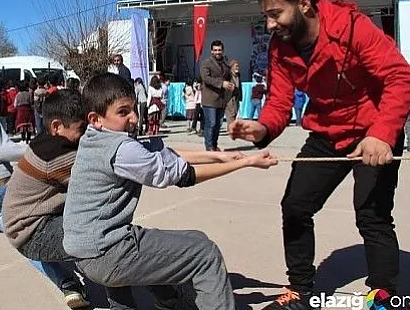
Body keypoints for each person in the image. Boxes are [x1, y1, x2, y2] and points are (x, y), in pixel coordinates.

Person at [231, 0, 410, 310]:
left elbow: (402, 79)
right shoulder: (280, 46)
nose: (270, 24)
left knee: (372, 215)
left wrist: (381, 135)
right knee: (295, 206)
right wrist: (262, 128)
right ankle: (300, 291)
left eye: (275, 14)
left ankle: (383, 296)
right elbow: (279, 99)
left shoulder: (353, 28)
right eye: (266, 16)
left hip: (373, 130)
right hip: (327, 131)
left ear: (304, 4)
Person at [62, 72, 278, 310]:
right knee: (205, 254)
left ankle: (170, 302)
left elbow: (159, 153)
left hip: (86, 251)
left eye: (134, 109)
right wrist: (245, 163)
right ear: (96, 118)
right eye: (123, 112)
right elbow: (183, 176)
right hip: (107, 252)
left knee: (192, 240)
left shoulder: (94, 138)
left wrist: (218, 156)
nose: (134, 118)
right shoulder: (121, 149)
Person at [0, 71, 87, 304]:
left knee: (25, 239)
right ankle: (75, 278)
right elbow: (3, 150)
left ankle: (68, 282)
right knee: (30, 237)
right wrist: (38, 151)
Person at [2, 89, 92, 309]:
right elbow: (97, 182)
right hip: (31, 232)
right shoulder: (57, 155)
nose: (85, 133)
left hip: (30, 221)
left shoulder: (47, 140)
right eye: (81, 128)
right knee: (101, 236)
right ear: (56, 126)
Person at [199, 40, 234, 151]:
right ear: (211, 51)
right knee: (211, 123)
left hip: (221, 99)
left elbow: (228, 77)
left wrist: (231, 84)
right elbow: (206, 79)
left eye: (219, 50)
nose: (217, 52)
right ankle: (209, 147)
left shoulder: (225, 63)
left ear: (222, 50)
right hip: (209, 99)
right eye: (215, 50)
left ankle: (214, 145)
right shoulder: (206, 63)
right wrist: (221, 83)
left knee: (218, 125)